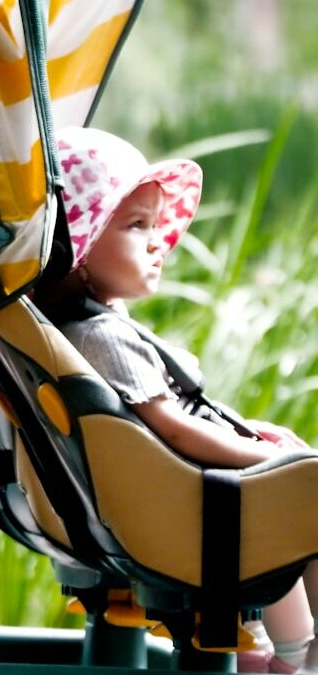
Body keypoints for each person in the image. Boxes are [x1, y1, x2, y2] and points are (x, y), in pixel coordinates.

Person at [35, 125, 317, 674]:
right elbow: (176, 430)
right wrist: (265, 458)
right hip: (193, 505)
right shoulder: (102, 338)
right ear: (83, 245)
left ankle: (280, 653)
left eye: (156, 226)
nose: (157, 245)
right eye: (136, 226)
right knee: (302, 493)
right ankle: (301, 653)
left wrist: (252, 437)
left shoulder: (84, 329)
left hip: (183, 497)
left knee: (287, 489)